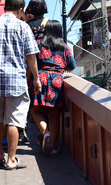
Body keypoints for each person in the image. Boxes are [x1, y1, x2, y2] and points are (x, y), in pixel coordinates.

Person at [0, 0, 41, 171]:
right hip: (15, 80)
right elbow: (30, 56)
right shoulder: (23, 27)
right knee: (14, 121)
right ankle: (11, 160)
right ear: (21, 10)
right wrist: (36, 78)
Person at [30, 19, 76, 156]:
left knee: (36, 110)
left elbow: (32, 63)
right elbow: (72, 66)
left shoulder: (39, 45)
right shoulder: (65, 47)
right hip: (57, 80)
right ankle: (54, 147)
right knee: (54, 113)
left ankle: (45, 132)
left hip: (41, 78)